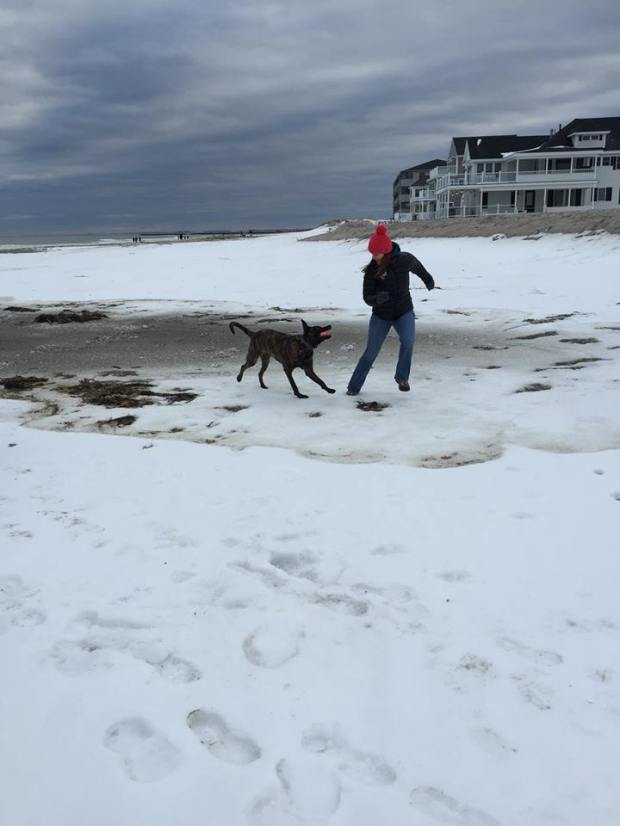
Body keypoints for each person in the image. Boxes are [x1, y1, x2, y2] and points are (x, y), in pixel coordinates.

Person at [346, 223, 435, 395]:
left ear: (386, 250)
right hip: (381, 316)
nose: (374, 257)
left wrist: (428, 280)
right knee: (370, 353)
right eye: (372, 253)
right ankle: (353, 387)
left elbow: (419, 269)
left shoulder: (405, 260)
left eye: (377, 253)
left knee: (408, 342)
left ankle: (402, 378)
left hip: (404, 311)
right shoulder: (372, 270)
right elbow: (367, 296)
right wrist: (377, 299)